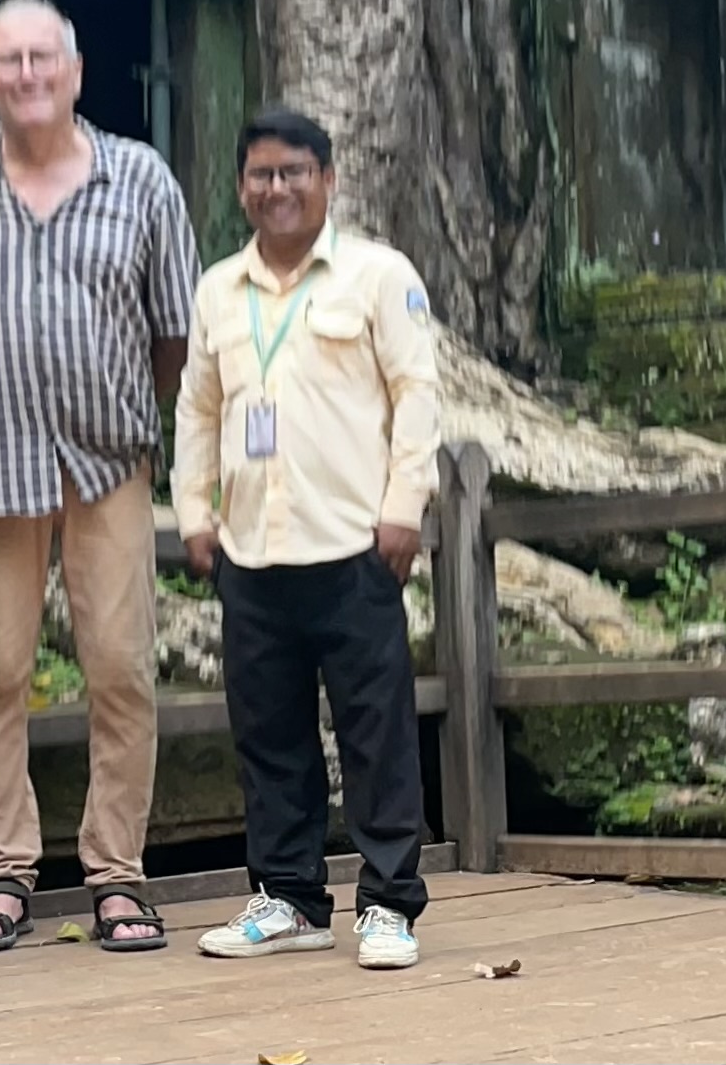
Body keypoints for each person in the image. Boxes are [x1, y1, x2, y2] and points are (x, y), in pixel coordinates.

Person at [0, 0, 196, 956]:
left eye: (40, 58)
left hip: (108, 460)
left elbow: (174, 326)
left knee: (121, 668)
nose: (25, 75)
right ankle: (4, 874)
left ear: (74, 70)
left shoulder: (139, 177)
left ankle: (117, 876)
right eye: (6, 60)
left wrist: (126, 410)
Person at [176, 103, 440, 979]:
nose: (276, 187)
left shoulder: (376, 275)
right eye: (260, 173)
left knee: (375, 733)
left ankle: (389, 902)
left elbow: (415, 393)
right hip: (252, 549)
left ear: (327, 179)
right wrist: (194, 512)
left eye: (294, 171)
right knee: (269, 735)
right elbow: (198, 408)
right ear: (241, 185)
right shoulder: (219, 288)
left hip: (355, 545)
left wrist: (404, 505)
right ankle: (288, 898)